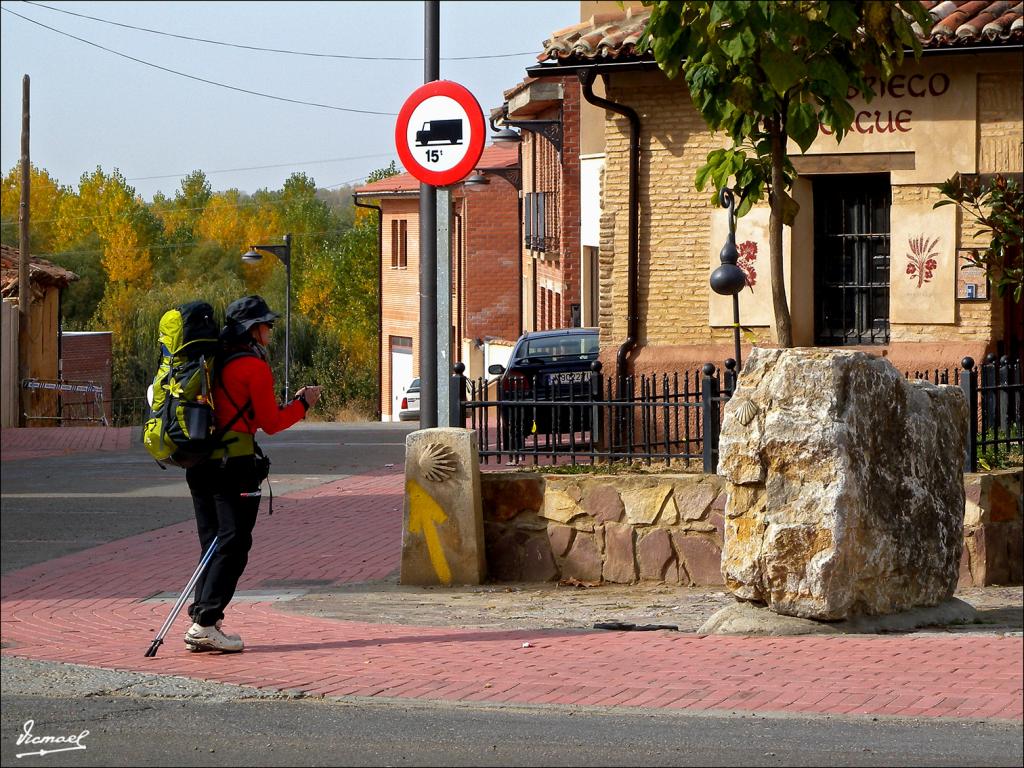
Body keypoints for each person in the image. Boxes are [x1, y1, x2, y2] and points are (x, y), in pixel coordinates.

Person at [183, 295, 321, 652]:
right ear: (252, 329)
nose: (270, 331)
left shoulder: (211, 360)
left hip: (199, 464)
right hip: (234, 465)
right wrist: (303, 404)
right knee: (234, 543)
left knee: (213, 542)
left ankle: (203, 618)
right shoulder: (252, 366)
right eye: (267, 325)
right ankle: (205, 622)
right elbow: (271, 422)